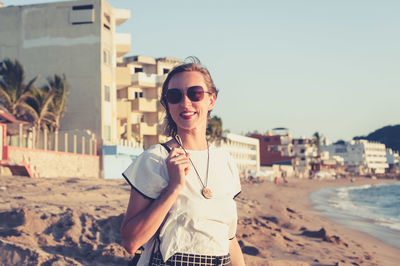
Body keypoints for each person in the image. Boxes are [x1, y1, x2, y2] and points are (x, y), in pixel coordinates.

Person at [120, 57, 246, 266]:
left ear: (211, 100)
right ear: (167, 105)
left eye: (195, 93)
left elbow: (229, 240)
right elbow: (131, 242)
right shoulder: (155, 160)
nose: (185, 102)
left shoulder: (225, 162)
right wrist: (173, 187)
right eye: (175, 96)